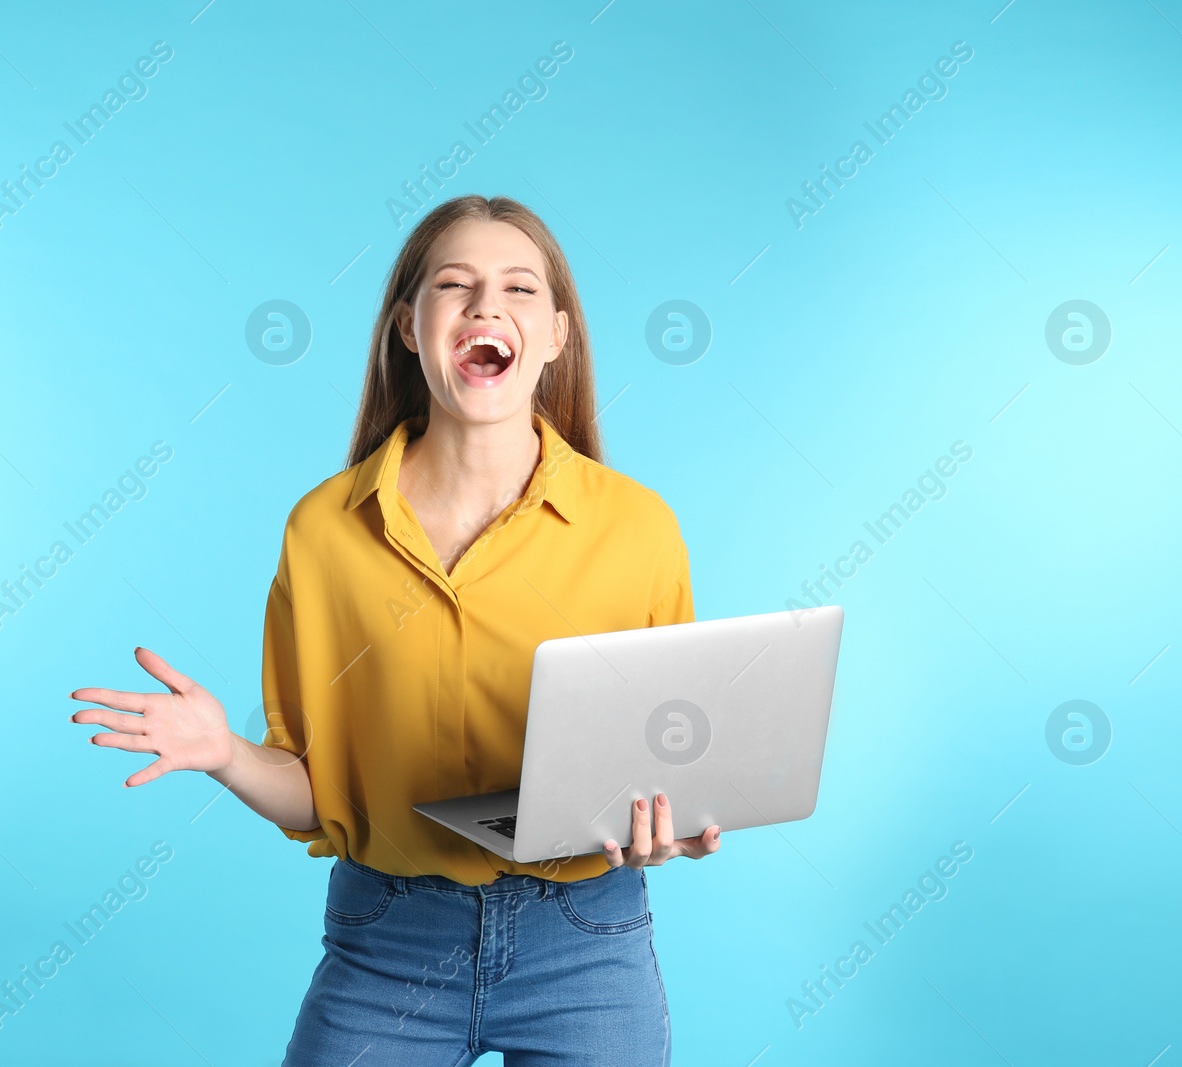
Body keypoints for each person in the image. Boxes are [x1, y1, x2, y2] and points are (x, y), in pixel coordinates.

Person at [69, 194, 721, 1065]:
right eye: (454, 284)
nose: (487, 306)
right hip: (390, 940)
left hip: (586, 943)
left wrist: (677, 822)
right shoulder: (324, 532)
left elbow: (670, 767)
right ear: (410, 328)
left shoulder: (638, 529)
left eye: (519, 288)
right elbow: (315, 793)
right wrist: (225, 752)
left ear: (558, 335)